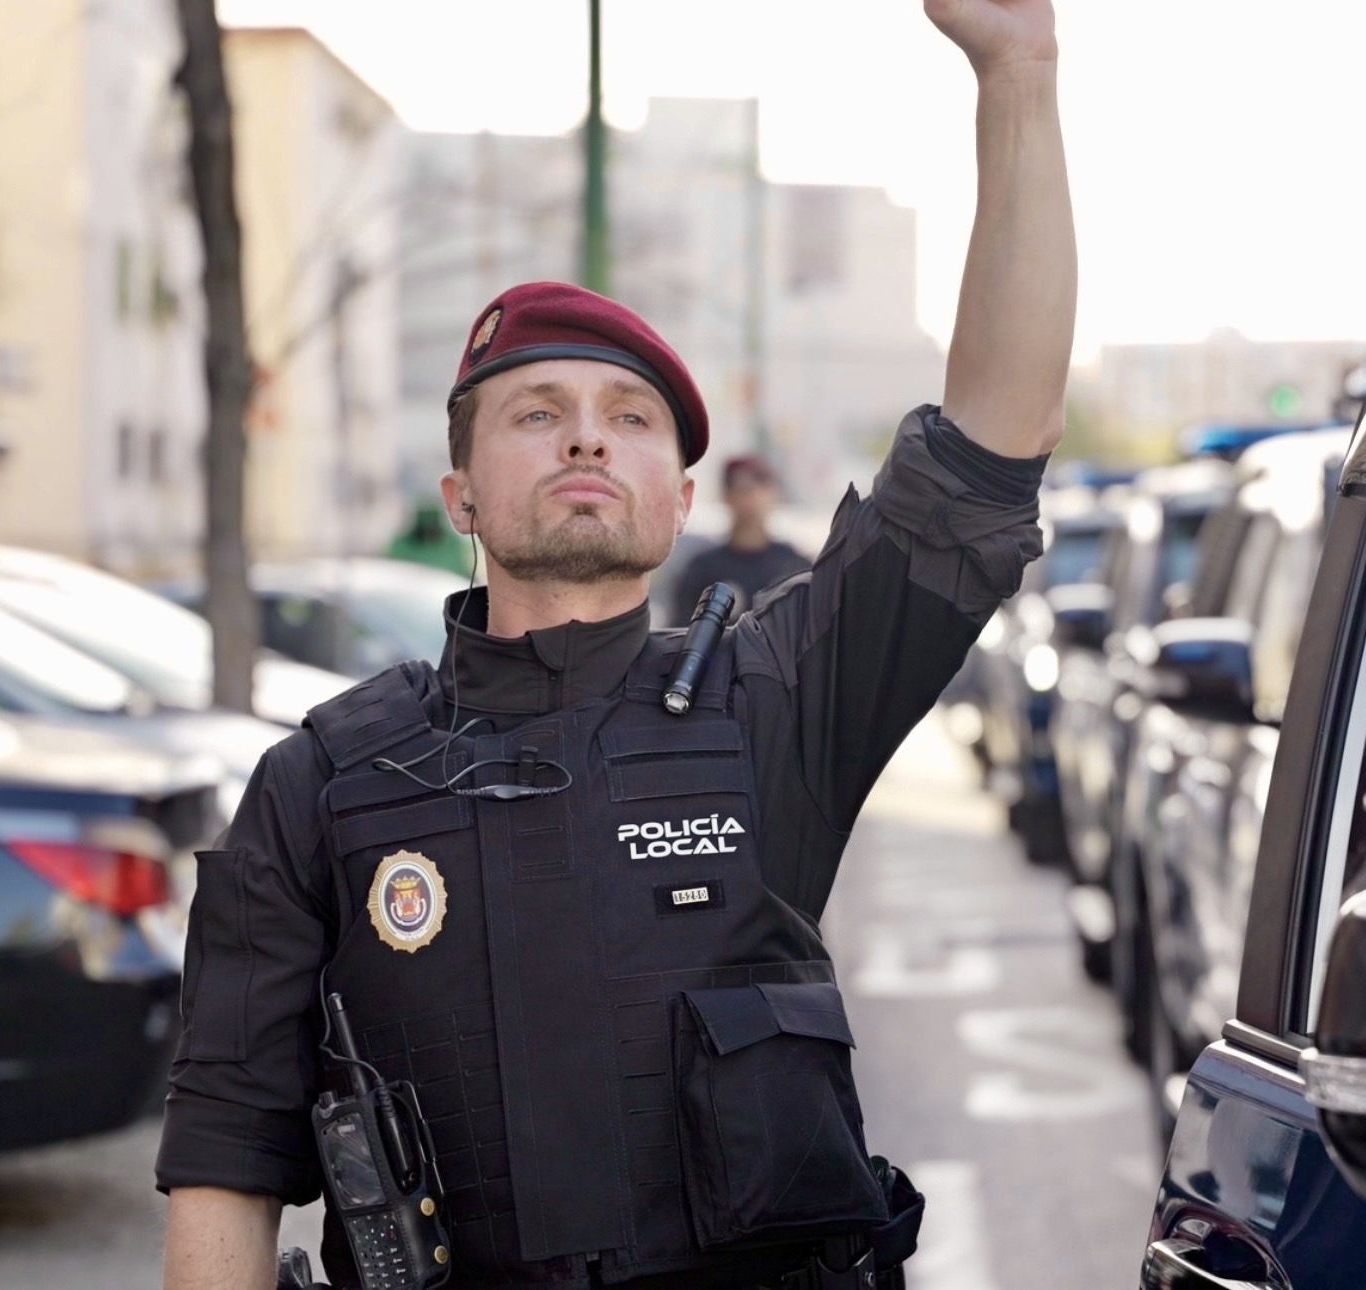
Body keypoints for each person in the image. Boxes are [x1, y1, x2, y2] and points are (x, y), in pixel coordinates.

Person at [156, 0, 1073, 1285]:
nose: (588, 436)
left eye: (630, 417)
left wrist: (1017, 70)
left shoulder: (775, 701)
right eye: (537, 412)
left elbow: (988, 450)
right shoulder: (319, 785)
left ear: (680, 499)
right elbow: (224, 1160)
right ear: (460, 497)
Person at [666, 455, 811, 621]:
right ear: (727, 496)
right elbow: (680, 632)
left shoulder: (794, 568)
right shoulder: (702, 570)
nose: (752, 499)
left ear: (773, 494)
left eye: (760, 488)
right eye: (742, 490)